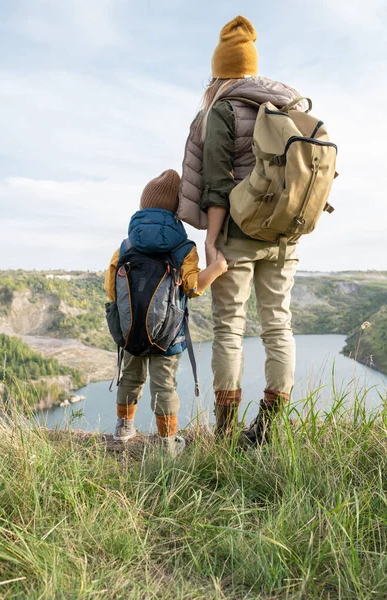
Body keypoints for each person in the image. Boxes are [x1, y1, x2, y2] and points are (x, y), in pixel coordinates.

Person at [178, 16, 306, 442]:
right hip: (285, 234)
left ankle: (226, 434)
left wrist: (211, 242)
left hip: (238, 233)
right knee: (277, 325)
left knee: (230, 328)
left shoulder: (223, 110)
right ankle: (269, 430)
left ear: (219, 71)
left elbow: (216, 186)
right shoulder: (285, 106)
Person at [104, 169, 227, 454]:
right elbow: (194, 287)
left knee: (130, 378)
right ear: (176, 210)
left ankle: (123, 429)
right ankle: (167, 442)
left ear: (142, 206)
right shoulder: (184, 247)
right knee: (164, 387)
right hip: (168, 337)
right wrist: (218, 268)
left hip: (131, 331)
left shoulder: (125, 246)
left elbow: (111, 289)